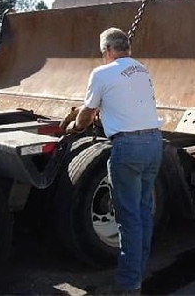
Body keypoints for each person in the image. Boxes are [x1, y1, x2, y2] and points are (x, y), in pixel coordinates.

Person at [60, 27, 163, 295]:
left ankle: (129, 286)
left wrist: (75, 127)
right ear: (126, 47)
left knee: (128, 219)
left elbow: (87, 112)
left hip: (128, 148)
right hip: (154, 144)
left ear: (106, 50)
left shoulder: (102, 72)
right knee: (142, 213)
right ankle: (137, 271)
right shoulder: (142, 70)